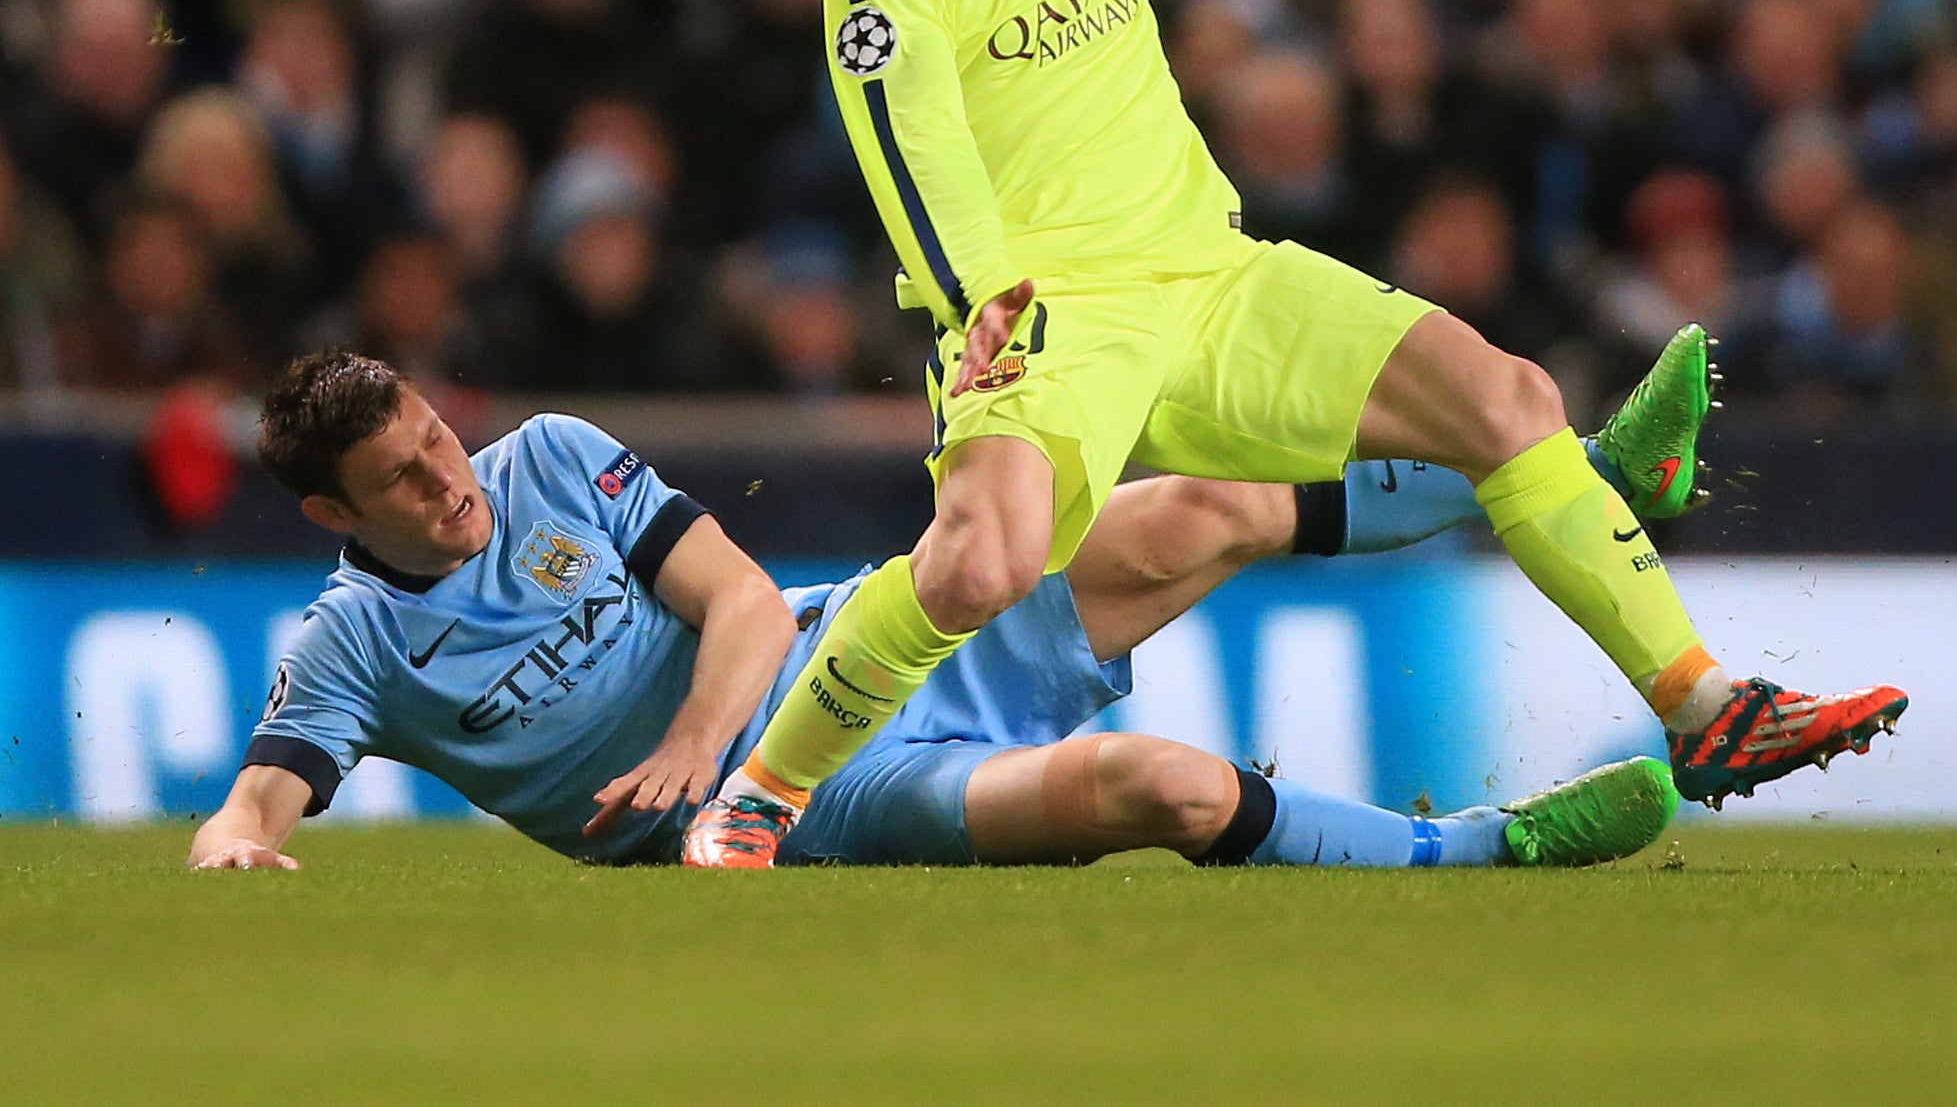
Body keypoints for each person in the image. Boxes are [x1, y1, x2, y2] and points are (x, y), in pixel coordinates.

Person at [705, 0, 1903, 864]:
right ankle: (763, 790)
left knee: (1506, 398)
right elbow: (903, 134)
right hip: (1049, 314)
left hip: (1212, 276)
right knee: (977, 568)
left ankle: (1705, 705)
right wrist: (976, 291)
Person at [187, 351, 1677, 873]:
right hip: (828, 801)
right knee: (1160, 783)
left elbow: (748, 606)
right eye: (405, 477)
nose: (453, 479)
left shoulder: (551, 458)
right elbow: (262, 794)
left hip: (865, 642)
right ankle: (1485, 847)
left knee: (1194, 506)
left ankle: (1569, 479)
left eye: (440, 436)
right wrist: (239, 841)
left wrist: (704, 741)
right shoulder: (353, 645)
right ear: (335, 516)